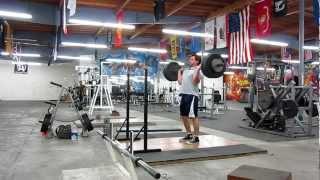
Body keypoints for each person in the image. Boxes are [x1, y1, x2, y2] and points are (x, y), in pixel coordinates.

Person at [177, 53, 202, 144]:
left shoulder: (198, 70)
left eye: (192, 59)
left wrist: (198, 70)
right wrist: (179, 72)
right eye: (190, 59)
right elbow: (180, 82)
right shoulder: (187, 70)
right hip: (184, 95)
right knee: (183, 116)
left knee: (193, 116)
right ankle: (188, 134)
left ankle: (196, 137)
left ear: (197, 61)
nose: (189, 61)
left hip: (192, 96)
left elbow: (195, 81)